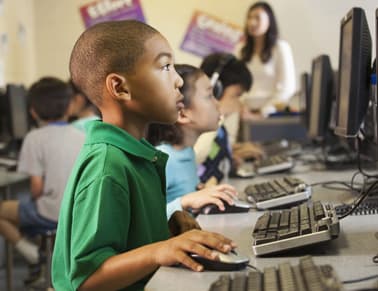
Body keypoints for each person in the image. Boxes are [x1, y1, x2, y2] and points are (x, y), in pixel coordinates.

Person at [52, 20, 236, 291]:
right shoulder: (108, 165)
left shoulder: (136, 155)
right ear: (121, 88)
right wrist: (161, 249)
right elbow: (88, 279)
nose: (179, 80)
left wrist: (169, 228)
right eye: (165, 67)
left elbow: (127, 242)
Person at [0, 77, 85, 266]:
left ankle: (33, 253)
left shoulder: (34, 138)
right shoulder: (83, 136)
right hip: (78, 214)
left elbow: (36, 189)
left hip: (51, 214)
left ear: (33, 111)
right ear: (69, 107)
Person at [146, 64, 238, 219]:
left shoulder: (186, 152)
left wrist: (199, 195)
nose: (217, 104)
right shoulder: (163, 159)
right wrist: (184, 202)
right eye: (209, 96)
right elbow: (145, 222)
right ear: (182, 114)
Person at [194, 53, 264, 185]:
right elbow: (196, 156)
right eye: (236, 95)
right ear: (215, 90)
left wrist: (232, 155)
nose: (239, 104)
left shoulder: (219, 129)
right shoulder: (195, 126)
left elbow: (214, 152)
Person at [236, 1, 296, 117]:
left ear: (270, 21)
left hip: (271, 115)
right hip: (245, 114)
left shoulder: (280, 48)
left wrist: (263, 113)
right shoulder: (240, 50)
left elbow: (287, 88)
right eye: (249, 18)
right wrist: (244, 109)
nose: (252, 22)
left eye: (257, 18)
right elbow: (236, 85)